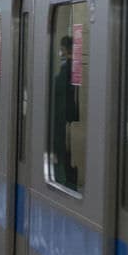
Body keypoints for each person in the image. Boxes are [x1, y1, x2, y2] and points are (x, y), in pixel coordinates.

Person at [49, 33, 80, 188]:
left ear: (63, 49)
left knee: (64, 150)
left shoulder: (65, 68)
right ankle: (70, 178)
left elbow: (58, 90)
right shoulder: (74, 67)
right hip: (71, 114)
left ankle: (68, 180)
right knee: (68, 150)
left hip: (63, 115)